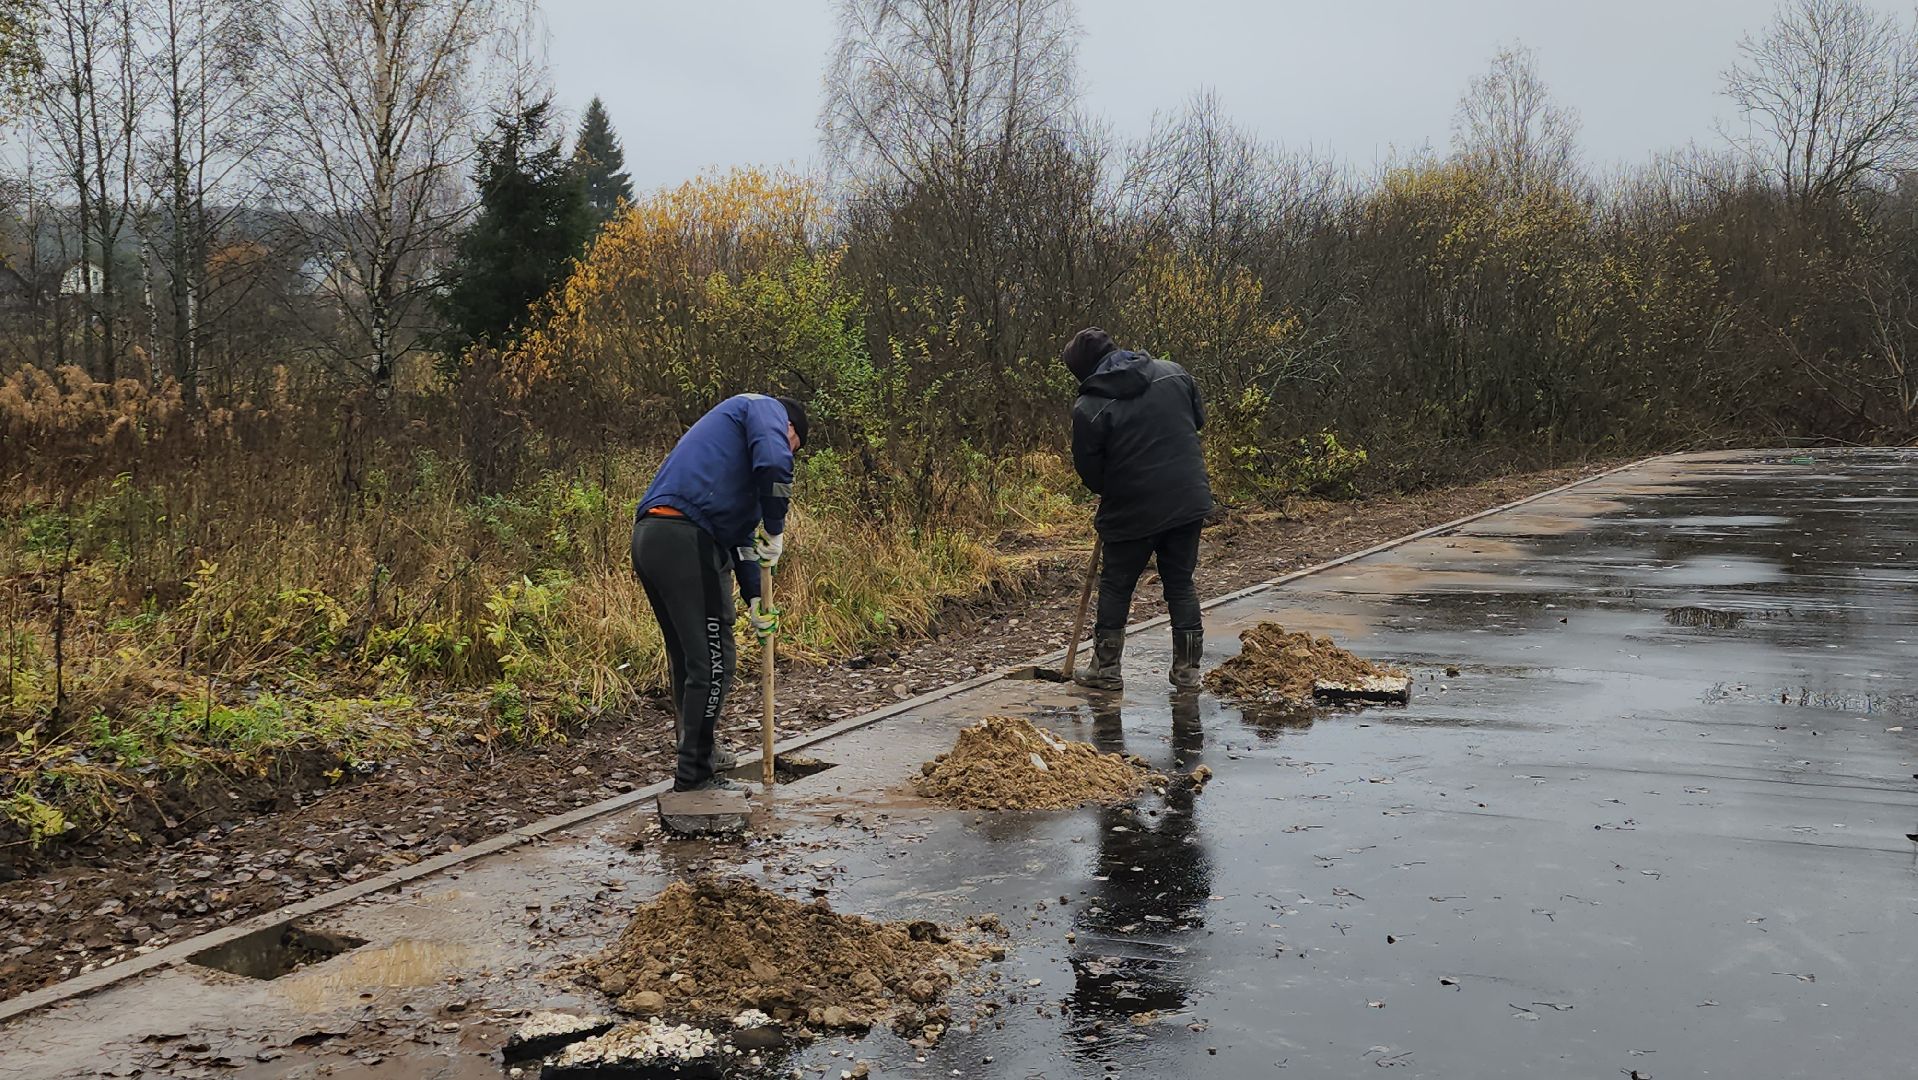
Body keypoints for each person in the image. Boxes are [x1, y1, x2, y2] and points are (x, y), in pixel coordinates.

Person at [632, 394, 807, 792]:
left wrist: (756, 599)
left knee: (690, 659)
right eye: (796, 448)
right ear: (791, 430)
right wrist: (777, 526)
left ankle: (700, 752)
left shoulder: (730, 467)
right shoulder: (763, 407)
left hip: (654, 537)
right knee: (714, 662)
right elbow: (776, 463)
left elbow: (743, 540)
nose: (791, 456)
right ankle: (694, 775)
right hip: (685, 537)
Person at [1063, 327, 1213, 691]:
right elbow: (1198, 422)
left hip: (1131, 508)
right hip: (1187, 499)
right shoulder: (1175, 373)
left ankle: (1106, 669)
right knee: (1180, 584)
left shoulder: (1089, 408)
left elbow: (1092, 474)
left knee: (1117, 585)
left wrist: (1114, 483)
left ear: (1084, 369)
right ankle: (1187, 671)